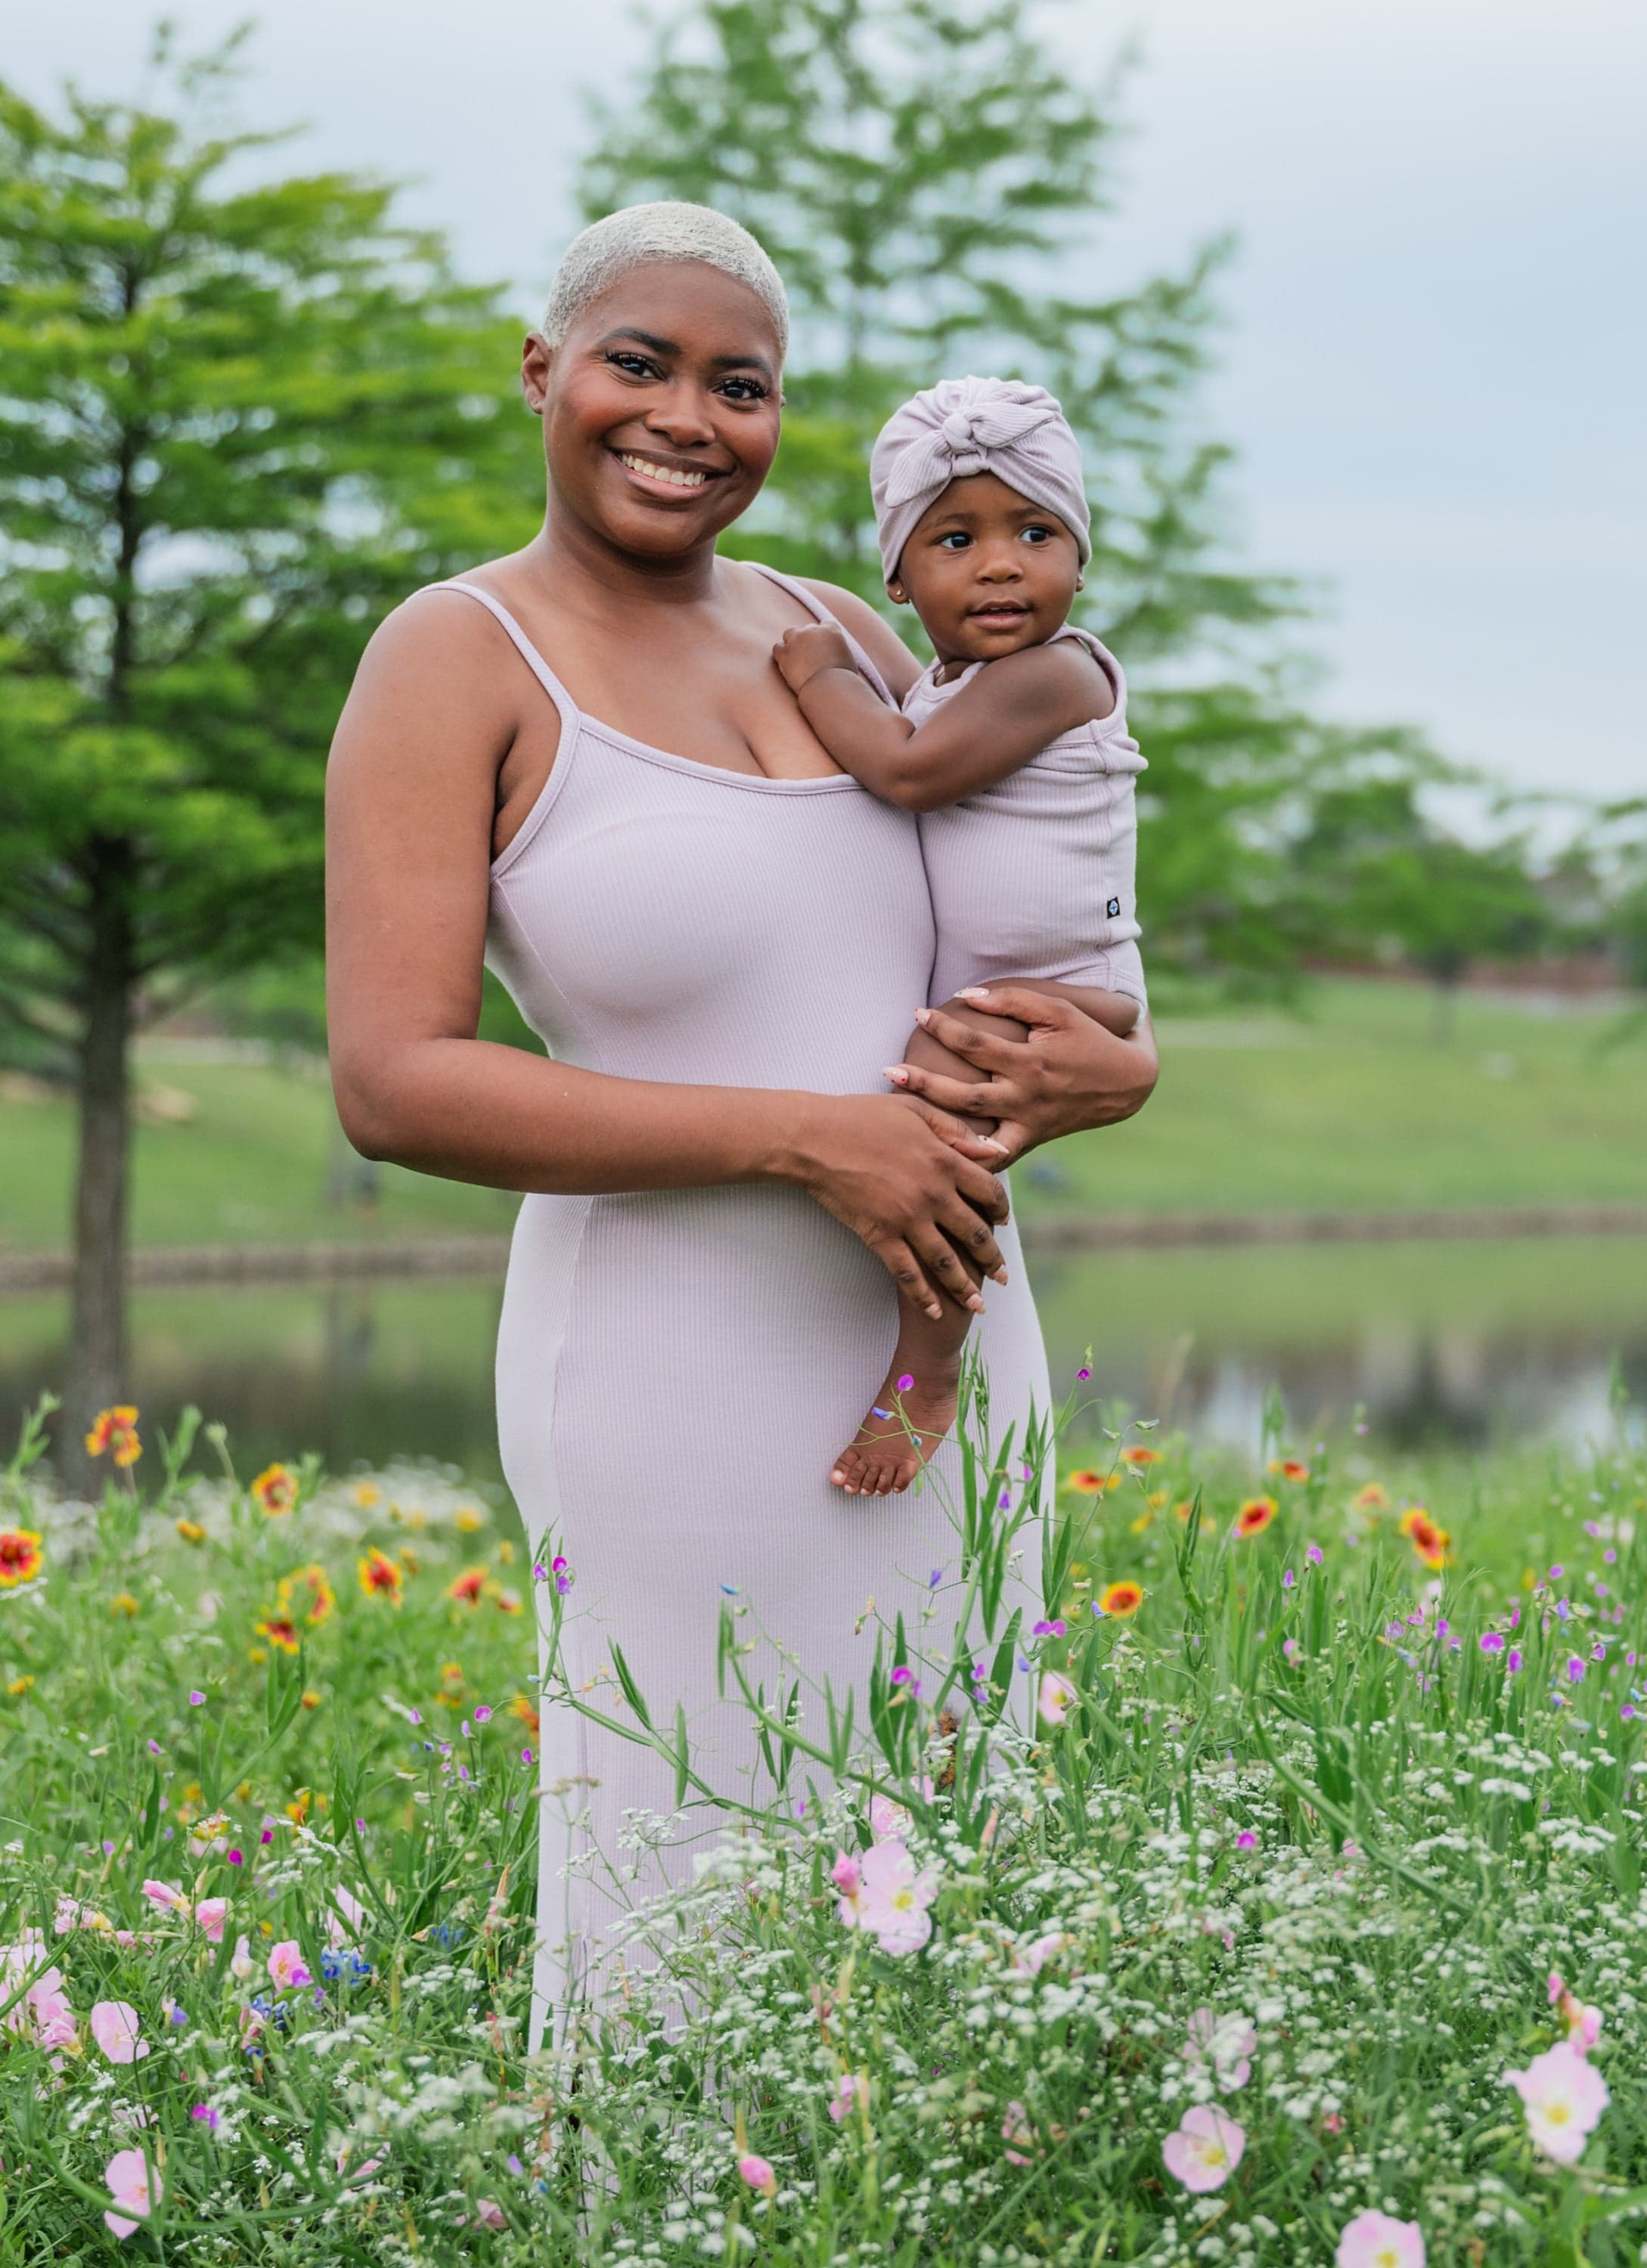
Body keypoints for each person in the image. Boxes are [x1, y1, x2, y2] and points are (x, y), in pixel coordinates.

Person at [322, 202, 1157, 2021]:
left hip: (947, 1357)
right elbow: (395, 1081)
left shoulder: (856, 629)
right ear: (545, 371)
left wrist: (1112, 1068)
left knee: (953, 1890)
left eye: (742, 383)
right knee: (679, 1899)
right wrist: (804, 1134)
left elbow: (1029, 915)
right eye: (641, 364)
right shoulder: (454, 657)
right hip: (671, 1368)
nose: (687, 416)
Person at [772, 376, 1145, 1496]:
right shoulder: (948, 684)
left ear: (1080, 563)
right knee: (939, 1149)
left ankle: (927, 1372)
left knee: (929, 1149)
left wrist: (821, 673)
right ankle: (924, 1348)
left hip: (1063, 987)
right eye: (955, 538)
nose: (998, 563)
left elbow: (906, 772)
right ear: (900, 574)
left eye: (1036, 533)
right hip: (1022, 983)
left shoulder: (1056, 674)